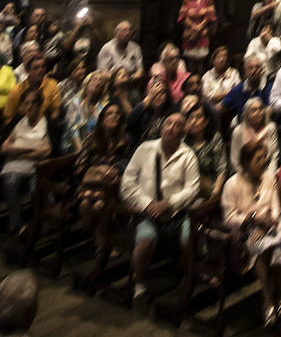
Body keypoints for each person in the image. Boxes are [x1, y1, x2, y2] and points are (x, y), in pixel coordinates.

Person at [120, 112, 200, 308]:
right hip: (147, 211)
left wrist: (170, 203)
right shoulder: (145, 149)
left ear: (183, 132)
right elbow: (127, 184)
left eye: (177, 125)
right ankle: (139, 284)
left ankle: (188, 278)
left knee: (189, 238)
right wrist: (148, 204)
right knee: (146, 240)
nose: (171, 128)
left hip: (177, 212)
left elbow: (193, 188)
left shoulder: (187, 154)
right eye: (168, 123)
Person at [222, 140, 281, 327]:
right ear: (246, 162)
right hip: (245, 231)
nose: (264, 161)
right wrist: (252, 218)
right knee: (259, 249)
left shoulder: (268, 178)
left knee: (279, 247)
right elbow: (229, 217)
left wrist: (268, 222)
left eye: (265, 157)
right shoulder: (232, 184)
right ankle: (267, 301)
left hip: (270, 226)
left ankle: (280, 294)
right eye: (258, 159)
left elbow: (275, 206)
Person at [74, 101, 130, 245]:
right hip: (92, 184)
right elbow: (81, 165)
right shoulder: (93, 138)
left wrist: (115, 169)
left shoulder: (125, 139)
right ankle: (100, 239)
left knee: (99, 205)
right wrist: (98, 168)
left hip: (113, 185)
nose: (114, 116)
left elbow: (129, 163)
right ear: (103, 118)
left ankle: (102, 243)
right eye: (110, 114)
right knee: (85, 204)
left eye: (117, 114)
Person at [0, 87, 50, 232]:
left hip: (37, 166)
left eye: (33, 103)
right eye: (26, 103)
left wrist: (19, 152)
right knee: (10, 182)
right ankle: (17, 225)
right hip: (15, 165)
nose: (29, 106)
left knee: (37, 188)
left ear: (39, 104)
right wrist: (30, 148)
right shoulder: (18, 123)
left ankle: (40, 223)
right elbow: (4, 148)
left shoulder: (45, 123)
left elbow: (46, 152)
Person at [185, 103, 227, 203]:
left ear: (206, 121)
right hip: (188, 190)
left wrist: (216, 191)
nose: (194, 121)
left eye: (198, 117)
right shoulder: (184, 141)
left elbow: (222, 167)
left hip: (210, 188)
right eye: (191, 118)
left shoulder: (214, 138)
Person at [4, 52, 60, 125]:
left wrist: (49, 128)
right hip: (22, 127)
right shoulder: (16, 91)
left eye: (43, 67)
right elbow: (9, 118)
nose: (41, 70)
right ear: (28, 71)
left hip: (44, 125)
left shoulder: (52, 84)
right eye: (36, 68)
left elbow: (55, 111)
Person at [178, 0, 217, 69]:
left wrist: (200, 26)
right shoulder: (187, 0)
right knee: (191, 62)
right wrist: (193, 26)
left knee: (201, 62)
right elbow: (183, 16)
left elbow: (210, 15)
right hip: (190, 33)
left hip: (202, 32)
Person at [230, 97, 280, 171]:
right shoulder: (238, 131)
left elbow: (274, 155)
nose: (258, 112)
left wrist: (270, 173)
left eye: (260, 109)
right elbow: (234, 159)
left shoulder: (271, 127)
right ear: (247, 114)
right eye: (253, 110)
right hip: (244, 172)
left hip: (267, 170)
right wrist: (246, 176)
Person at [222, 54, 272, 124]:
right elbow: (221, 107)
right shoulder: (238, 90)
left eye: (257, 67)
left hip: (265, 127)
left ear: (261, 70)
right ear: (245, 72)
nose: (254, 71)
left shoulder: (270, 88)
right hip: (243, 129)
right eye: (250, 68)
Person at [126, 76, 170, 148]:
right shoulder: (142, 111)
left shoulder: (169, 114)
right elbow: (129, 122)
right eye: (155, 93)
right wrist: (150, 97)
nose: (158, 96)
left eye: (162, 92)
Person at [200, 45, 240, 110]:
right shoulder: (207, 76)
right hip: (211, 108)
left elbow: (238, 91)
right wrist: (227, 93)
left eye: (224, 56)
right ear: (213, 60)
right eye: (219, 56)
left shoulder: (234, 73)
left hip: (231, 106)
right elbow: (206, 96)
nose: (221, 59)